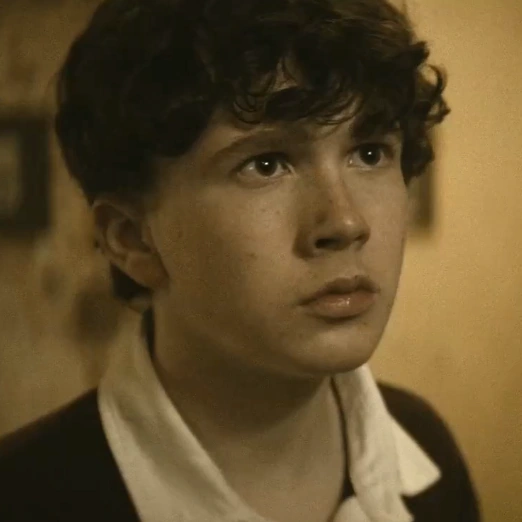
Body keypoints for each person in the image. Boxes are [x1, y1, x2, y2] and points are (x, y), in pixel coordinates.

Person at [0, 0, 481, 521]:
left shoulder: (425, 450)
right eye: (266, 163)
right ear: (133, 239)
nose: (345, 222)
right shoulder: (25, 496)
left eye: (369, 153)